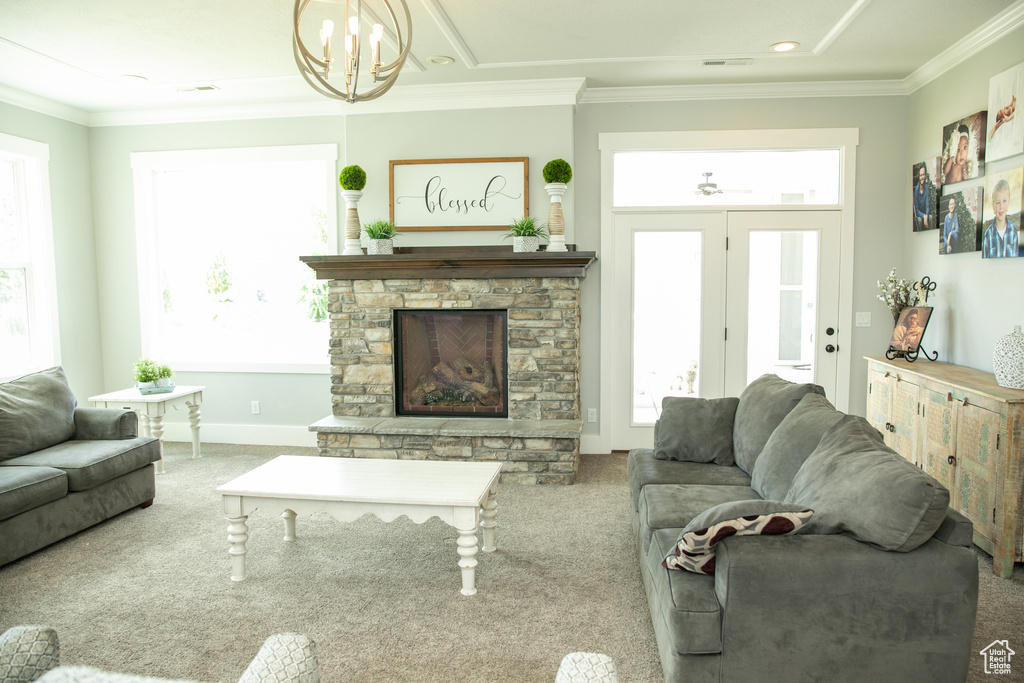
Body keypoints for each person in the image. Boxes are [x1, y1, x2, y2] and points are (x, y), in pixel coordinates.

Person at [982, 178, 1019, 258]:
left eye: (1004, 201)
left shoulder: (1013, 231)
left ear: (1009, 202)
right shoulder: (988, 235)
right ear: (993, 205)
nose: (1001, 206)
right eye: (998, 202)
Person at [913, 165, 931, 230]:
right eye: (920, 175)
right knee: (919, 220)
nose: (922, 177)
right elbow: (916, 210)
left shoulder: (926, 188)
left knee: (930, 217)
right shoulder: (916, 190)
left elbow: (927, 206)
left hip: (925, 214)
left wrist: (926, 215)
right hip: (919, 214)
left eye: (923, 175)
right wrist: (923, 216)